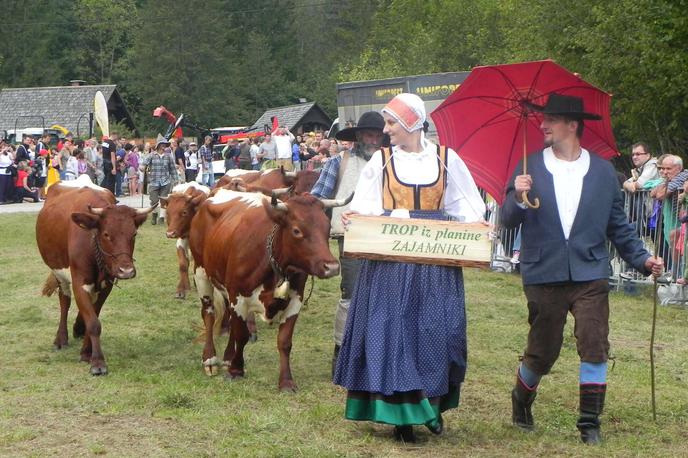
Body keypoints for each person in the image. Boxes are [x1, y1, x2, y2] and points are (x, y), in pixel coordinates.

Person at [502, 93, 664, 445]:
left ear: (572, 125)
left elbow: (618, 226)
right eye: (543, 119)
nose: (542, 124)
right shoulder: (529, 165)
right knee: (543, 350)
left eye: (551, 119)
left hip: (590, 271)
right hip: (543, 271)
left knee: (594, 343)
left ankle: (589, 423)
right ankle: (521, 398)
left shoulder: (603, 171)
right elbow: (507, 220)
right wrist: (517, 195)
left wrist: (643, 258)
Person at [333, 94, 486, 443]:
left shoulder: (446, 160)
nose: (386, 131)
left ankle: (431, 404)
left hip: (435, 261)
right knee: (396, 329)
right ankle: (403, 415)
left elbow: (467, 205)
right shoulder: (383, 162)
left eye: (392, 123)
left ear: (413, 123)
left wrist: (480, 225)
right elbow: (365, 206)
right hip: (392, 261)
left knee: (438, 330)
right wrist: (358, 216)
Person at [310, 111, 385, 376]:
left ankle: (376, 356)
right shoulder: (338, 162)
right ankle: (341, 354)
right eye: (368, 135)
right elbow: (316, 199)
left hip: (387, 239)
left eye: (378, 135)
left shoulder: (392, 164)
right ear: (358, 137)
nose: (373, 140)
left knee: (383, 298)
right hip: (350, 237)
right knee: (351, 296)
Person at [141, 135, 177, 225]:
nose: (164, 146)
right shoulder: (151, 155)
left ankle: (161, 217)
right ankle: (154, 215)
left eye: (165, 144)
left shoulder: (168, 156)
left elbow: (172, 169)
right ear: (158, 145)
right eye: (162, 144)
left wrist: (176, 179)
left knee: (163, 200)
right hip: (154, 181)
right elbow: (143, 164)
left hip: (165, 181)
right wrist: (142, 168)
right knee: (154, 200)